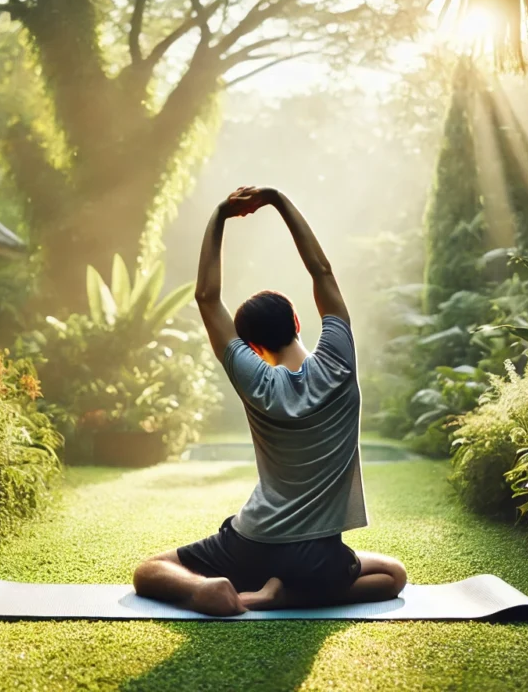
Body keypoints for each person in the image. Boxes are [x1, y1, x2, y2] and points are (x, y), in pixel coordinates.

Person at [131, 186, 407, 616]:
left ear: (253, 347)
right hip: (317, 555)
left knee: (151, 569)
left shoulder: (255, 379)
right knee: (392, 576)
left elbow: (206, 298)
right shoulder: (339, 361)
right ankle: (286, 594)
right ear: (298, 321)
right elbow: (322, 272)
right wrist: (277, 200)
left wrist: (221, 215)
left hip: (253, 542)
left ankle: (205, 592)